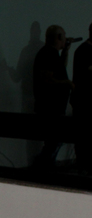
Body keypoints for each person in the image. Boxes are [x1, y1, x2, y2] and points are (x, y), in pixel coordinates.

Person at [33, 24, 74, 167]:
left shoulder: (52, 54)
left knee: (53, 142)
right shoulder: (48, 54)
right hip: (51, 109)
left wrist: (66, 50)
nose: (66, 38)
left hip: (53, 108)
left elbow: (60, 68)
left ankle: (44, 166)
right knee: (53, 141)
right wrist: (67, 83)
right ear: (59, 37)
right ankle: (43, 167)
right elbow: (47, 79)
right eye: (64, 35)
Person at [73, 23, 92, 170]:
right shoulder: (84, 51)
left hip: (82, 101)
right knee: (84, 138)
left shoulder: (81, 50)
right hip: (85, 102)